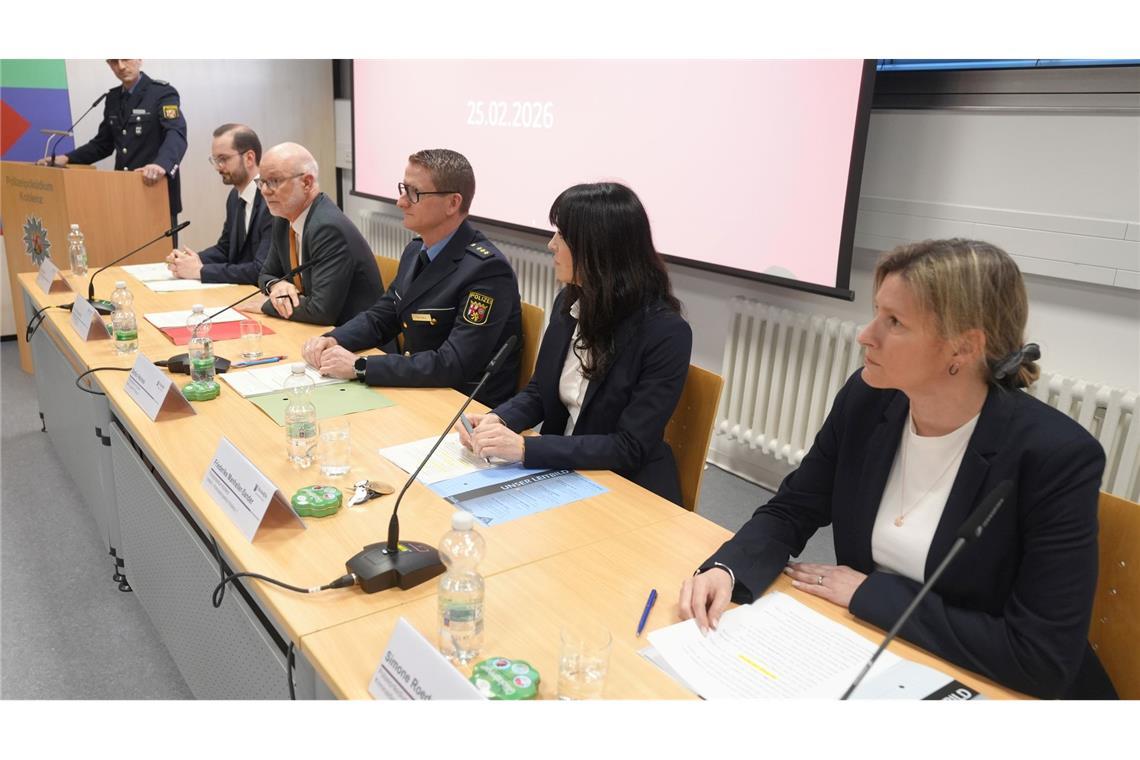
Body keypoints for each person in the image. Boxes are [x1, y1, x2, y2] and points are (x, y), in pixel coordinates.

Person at [678, 239, 1116, 699]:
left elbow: (1040, 656)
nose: (865, 335)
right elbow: (793, 507)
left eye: (894, 322)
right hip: (880, 651)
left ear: (963, 348)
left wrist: (869, 595)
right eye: (875, 313)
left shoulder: (1055, 456)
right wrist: (727, 570)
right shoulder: (868, 400)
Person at [458, 183, 692, 505]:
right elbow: (541, 391)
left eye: (562, 236)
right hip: (563, 472)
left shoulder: (665, 332)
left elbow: (629, 446)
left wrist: (526, 449)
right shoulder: (569, 303)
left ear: (598, 248)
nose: (551, 245)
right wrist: (497, 420)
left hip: (624, 488)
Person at [302, 149, 522, 407]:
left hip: (460, 407)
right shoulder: (416, 250)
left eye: (414, 193)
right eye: (402, 189)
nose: (401, 202)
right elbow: (382, 316)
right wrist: (334, 338)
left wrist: (361, 366)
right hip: (418, 390)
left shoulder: (486, 270)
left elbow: (453, 363)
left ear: (453, 203)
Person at [39, 59, 187, 242]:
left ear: (139, 58)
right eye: (113, 62)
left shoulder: (162, 93)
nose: (121, 66)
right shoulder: (113, 98)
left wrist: (161, 165)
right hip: (122, 193)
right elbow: (103, 144)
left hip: (155, 192)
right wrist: (67, 158)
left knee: (160, 264)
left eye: (126, 58)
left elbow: (176, 133)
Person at [244, 142, 382, 326]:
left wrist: (267, 304)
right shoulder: (283, 219)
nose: (265, 191)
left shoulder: (328, 228)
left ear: (307, 183)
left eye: (274, 181)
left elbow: (321, 311)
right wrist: (278, 286)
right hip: (313, 331)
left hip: (357, 342)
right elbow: (266, 274)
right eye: (261, 182)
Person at [165, 124, 271, 285]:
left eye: (223, 159)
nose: (218, 167)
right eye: (215, 160)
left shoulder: (271, 200)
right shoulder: (235, 198)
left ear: (249, 158)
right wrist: (189, 261)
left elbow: (261, 269)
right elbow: (225, 249)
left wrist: (200, 271)